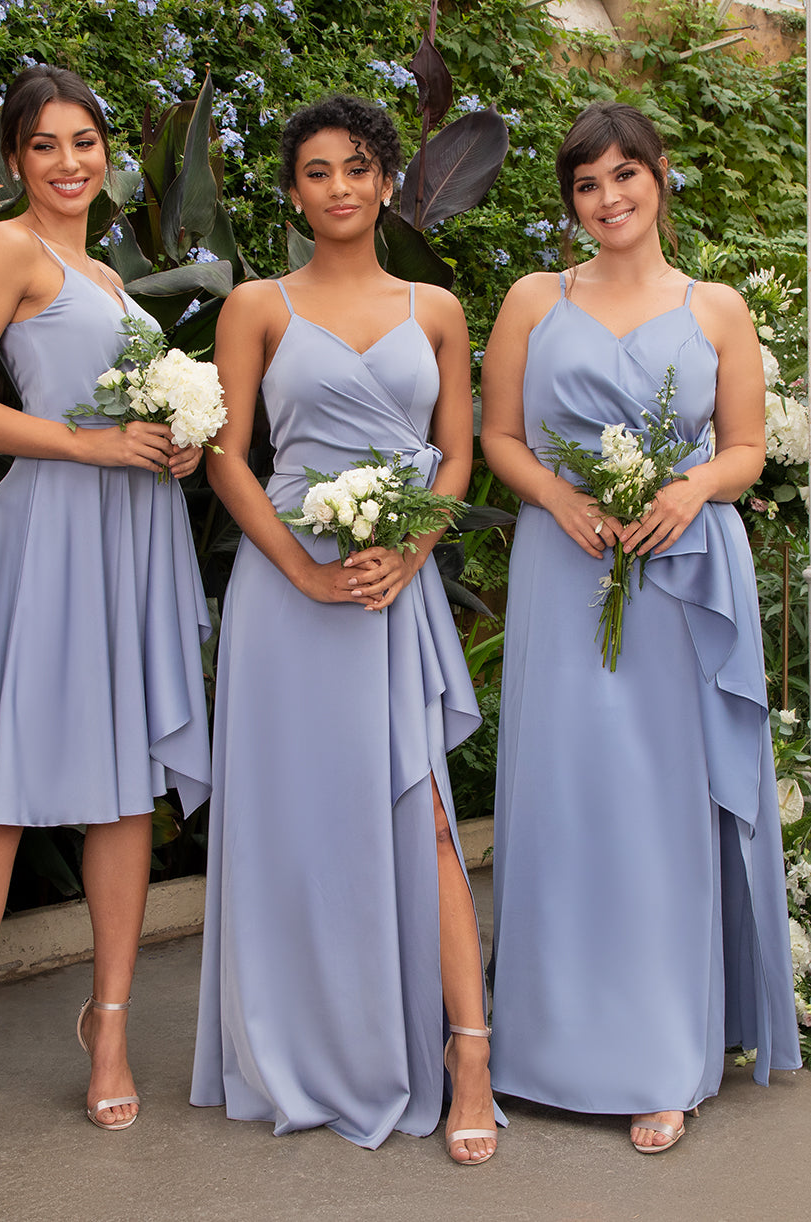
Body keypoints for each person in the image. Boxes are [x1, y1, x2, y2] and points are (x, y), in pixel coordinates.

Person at [481, 100, 801, 1153]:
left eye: (624, 174)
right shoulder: (534, 299)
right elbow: (499, 435)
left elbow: (744, 448)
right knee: (563, 794)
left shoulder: (717, 309)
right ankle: (542, 1048)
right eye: (586, 184)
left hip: (678, 575)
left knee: (660, 809)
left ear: (660, 175)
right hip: (563, 565)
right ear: (569, 201)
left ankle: (662, 1057)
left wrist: (689, 487)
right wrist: (559, 499)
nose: (607, 197)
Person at [190, 95, 503, 1162]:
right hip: (287, 594)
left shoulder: (437, 308)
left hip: (391, 589)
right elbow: (226, 456)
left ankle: (467, 1054)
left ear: (385, 184)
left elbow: (454, 457)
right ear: (292, 193)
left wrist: (409, 556)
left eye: (358, 167)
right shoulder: (256, 305)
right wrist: (302, 571)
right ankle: (305, 1044)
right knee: (290, 821)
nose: (339, 186)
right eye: (317, 170)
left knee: (424, 817)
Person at [0, 65, 212, 1182]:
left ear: (106, 154)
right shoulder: (8, 249)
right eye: (44, 145)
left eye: (84, 141)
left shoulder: (107, 274)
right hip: (50, 537)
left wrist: (171, 441)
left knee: (124, 794)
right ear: (15, 159)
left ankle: (110, 1026)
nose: (69, 162)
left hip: (130, 537)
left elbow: (119, 404)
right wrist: (90, 444)